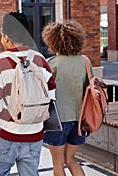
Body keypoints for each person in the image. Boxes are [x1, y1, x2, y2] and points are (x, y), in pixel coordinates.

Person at [0, 11, 56, 176]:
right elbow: (51, 97)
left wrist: (14, 117)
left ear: (6, 36)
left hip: (6, 134)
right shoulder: (40, 60)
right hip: (34, 134)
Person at [42, 21, 87, 176]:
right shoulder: (85, 62)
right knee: (71, 160)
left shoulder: (50, 64)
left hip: (57, 120)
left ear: (52, 41)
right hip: (81, 119)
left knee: (58, 164)